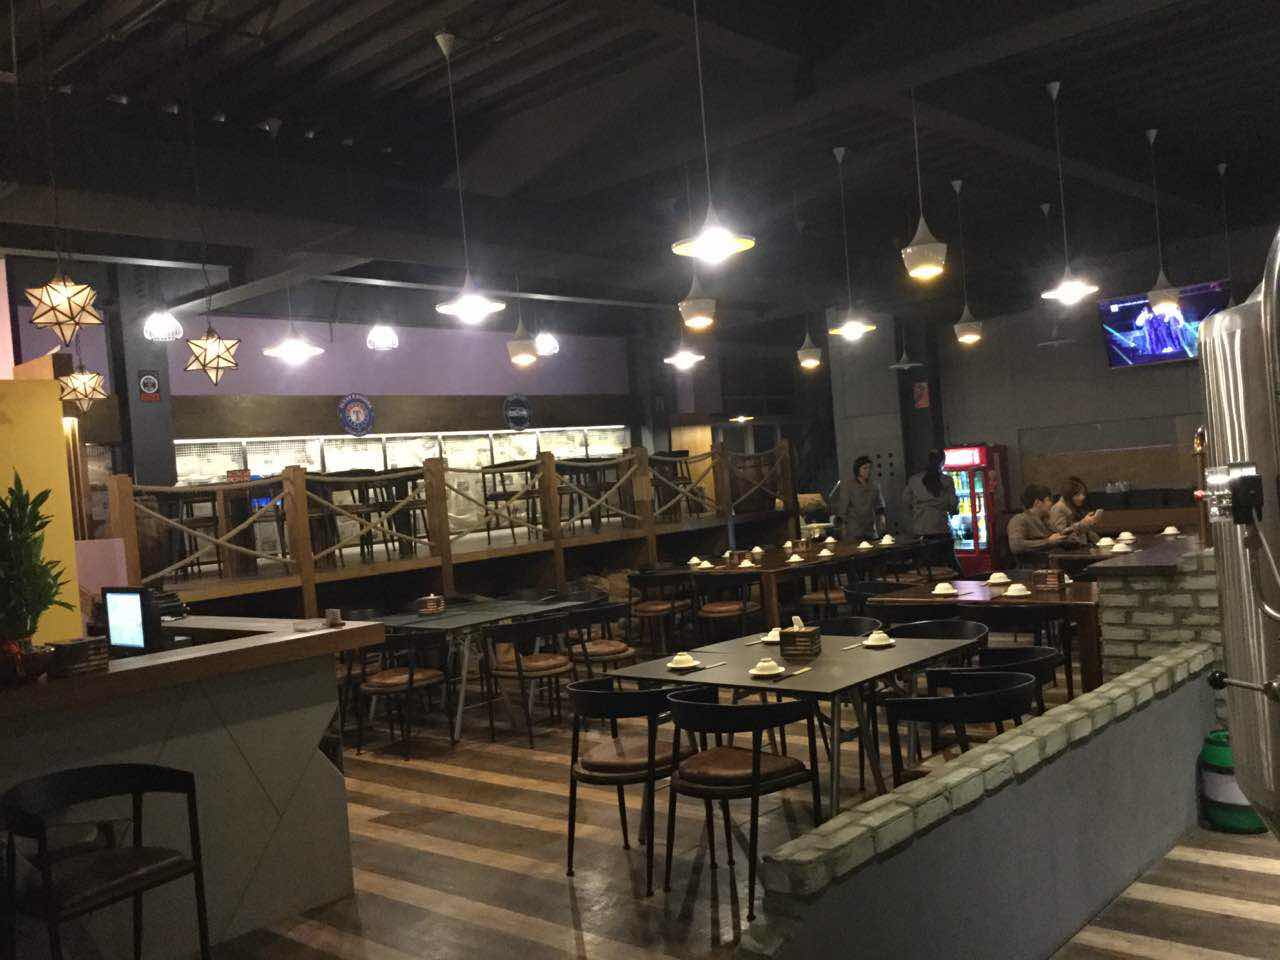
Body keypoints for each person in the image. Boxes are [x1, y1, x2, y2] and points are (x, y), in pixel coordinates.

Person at [902, 450, 961, 574]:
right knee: (951, 566)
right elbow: (953, 505)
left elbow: (905, 500)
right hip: (942, 529)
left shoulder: (914, 480)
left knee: (926, 568)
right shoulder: (947, 480)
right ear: (942, 462)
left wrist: (919, 507)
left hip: (921, 531)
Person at [1007, 483, 1068, 566]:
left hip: (1052, 565)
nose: (1051, 504)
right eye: (1048, 500)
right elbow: (1016, 545)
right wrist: (1048, 541)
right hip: (1032, 569)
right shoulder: (1019, 519)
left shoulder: (1045, 520)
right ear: (1037, 502)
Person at [837, 455, 887, 540]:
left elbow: (879, 507)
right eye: (864, 468)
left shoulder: (874, 485)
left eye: (869, 468)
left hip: (870, 528)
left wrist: (882, 523)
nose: (868, 470)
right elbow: (843, 508)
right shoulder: (849, 486)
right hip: (854, 529)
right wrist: (842, 528)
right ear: (858, 469)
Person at [1050, 476, 1102, 545]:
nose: (1082, 497)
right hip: (1068, 549)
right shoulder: (1058, 508)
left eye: (1082, 494)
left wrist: (1090, 523)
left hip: (1082, 545)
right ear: (1069, 496)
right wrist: (1083, 523)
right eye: (1078, 495)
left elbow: (1082, 531)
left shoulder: (1074, 506)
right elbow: (1061, 534)